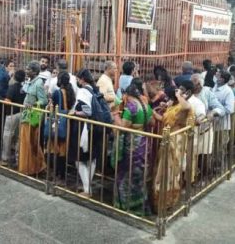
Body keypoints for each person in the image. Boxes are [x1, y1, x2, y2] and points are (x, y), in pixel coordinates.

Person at [111, 84, 153, 215]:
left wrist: (115, 115)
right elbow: (152, 123)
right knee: (139, 177)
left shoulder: (131, 108)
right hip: (143, 143)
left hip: (131, 146)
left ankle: (125, 206)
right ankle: (141, 206)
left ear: (127, 95)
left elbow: (123, 127)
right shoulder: (146, 106)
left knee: (125, 174)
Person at [153, 85, 194, 210]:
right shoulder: (173, 106)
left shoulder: (184, 106)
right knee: (162, 170)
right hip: (167, 140)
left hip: (176, 141)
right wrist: (155, 112)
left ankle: (169, 201)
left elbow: (186, 106)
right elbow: (164, 119)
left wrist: (179, 95)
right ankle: (160, 201)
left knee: (172, 171)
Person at [69, 69, 102, 197]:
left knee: (79, 158)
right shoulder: (95, 89)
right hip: (95, 127)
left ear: (82, 79)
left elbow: (87, 112)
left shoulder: (83, 91)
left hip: (84, 128)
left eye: (78, 79)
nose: (77, 81)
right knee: (91, 158)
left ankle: (87, 189)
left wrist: (75, 113)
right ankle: (87, 186)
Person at [19, 61, 47, 175]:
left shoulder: (39, 83)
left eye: (29, 69)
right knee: (27, 140)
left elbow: (43, 100)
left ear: (35, 72)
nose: (26, 71)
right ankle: (32, 166)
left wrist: (34, 104)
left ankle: (33, 166)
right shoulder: (31, 81)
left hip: (33, 114)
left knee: (29, 140)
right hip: (27, 112)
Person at [48, 71, 76, 180]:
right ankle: (63, 175)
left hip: (58, 122)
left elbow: (52, 106)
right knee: (64, 149)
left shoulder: (57, 92)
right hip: (67, 122)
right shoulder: (71, 92)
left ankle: (56, 173)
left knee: (55, 148)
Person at [1, 70, 26, 167]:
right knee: (18, 137)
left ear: (14, 77)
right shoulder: (23, 88)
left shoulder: (12, 87)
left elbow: (7, 100)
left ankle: (5, 158)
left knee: (7, 136)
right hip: (21, 113)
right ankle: (18, 159)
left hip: (11, 114)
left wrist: (0, 99)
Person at [212, 70, 234, 171]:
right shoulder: (215, 87)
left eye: (218, 75)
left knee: (219, 148)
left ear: (222, 79)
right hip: (212, 124)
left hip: (222, 125)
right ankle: (213, 167)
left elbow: (230, 109)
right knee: (212, 148)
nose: (216, 76)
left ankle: (219, 170)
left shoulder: (228, 91)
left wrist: (217, 112)